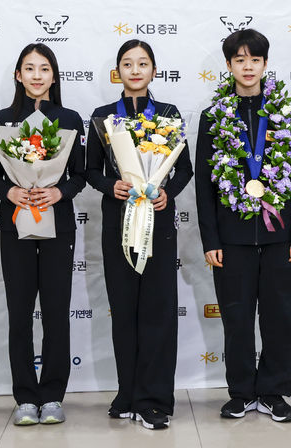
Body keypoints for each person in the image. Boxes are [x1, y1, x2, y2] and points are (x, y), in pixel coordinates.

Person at [195, 29, 291, 422]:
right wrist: (211, 239)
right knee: (237, 319)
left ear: (264, 64)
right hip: (232, 239)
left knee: (279, 317)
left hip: (280, 237)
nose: (248, 66)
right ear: (228, 66)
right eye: (239, 60)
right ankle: (241, 391)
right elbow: (205, 186)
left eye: (255, 60)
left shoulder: (283, 113)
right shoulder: (213, 118)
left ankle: (274, 391)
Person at [85, 39, 192, 430]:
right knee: (124, 311)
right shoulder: (102, 117)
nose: (135, 70)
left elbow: (184, 170)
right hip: (119, 222)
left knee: (158, 312)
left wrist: (167, 192)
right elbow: (90, 170)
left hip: (158, 225)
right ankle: (127, 394)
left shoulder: (167, 114)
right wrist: (108, 185)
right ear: (118, 71)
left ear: (153, 70)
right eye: (127, 64)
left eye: (142, 63)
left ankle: (155, 399)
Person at [0, 43, 86, 425]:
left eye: (44, 69)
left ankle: (53, 396)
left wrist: (59, 191)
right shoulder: (2, 120)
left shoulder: (70, 118)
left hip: (57, 223)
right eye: (29, 68)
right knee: (20, 312)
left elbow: (80, 173)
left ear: (54, 76)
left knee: (57, 312)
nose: (37, 75)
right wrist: (9, 191)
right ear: (18, 75)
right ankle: (26, 397)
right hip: (16, 224)